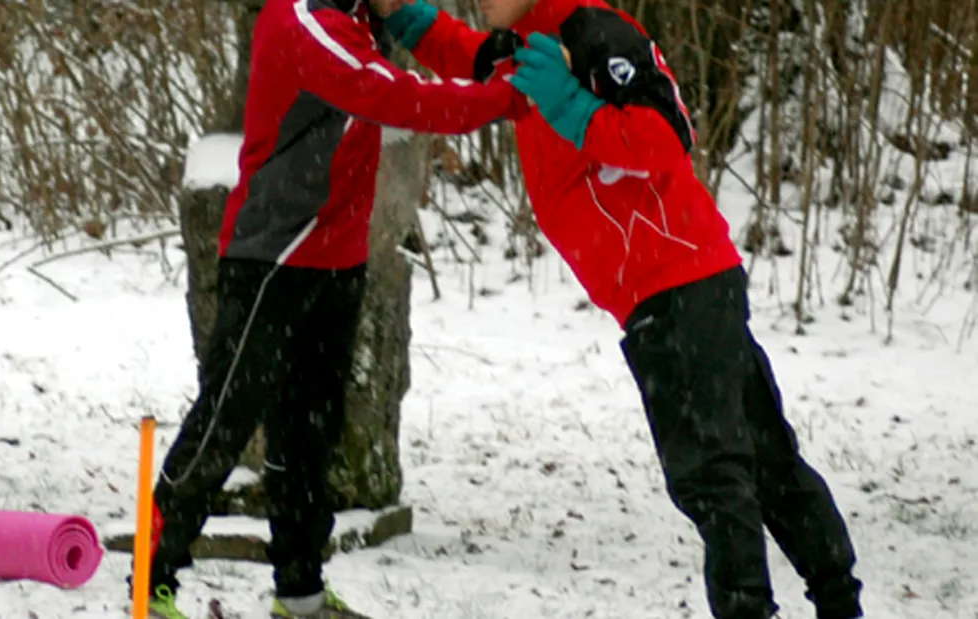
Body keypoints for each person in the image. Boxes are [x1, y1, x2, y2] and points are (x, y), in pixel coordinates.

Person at [382, 1, 865, 618]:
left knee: (712, 472)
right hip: (674, 284)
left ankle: (762, 606)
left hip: (677, 283)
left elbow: (669, 136)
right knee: (763, 458)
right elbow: (466, 55)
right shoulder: (528, 42)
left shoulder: (594, 32)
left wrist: (573, 109)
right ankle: (838, 600)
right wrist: (403, 16)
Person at [129, 0, 530, 616]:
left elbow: (425, 39)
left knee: (308, 438)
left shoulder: (362, 16)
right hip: (274, 255)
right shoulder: (303, 21)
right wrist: (501, 96)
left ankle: (301, 593)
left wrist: (489, 59)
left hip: (336, 261)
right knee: (225, 423)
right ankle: (151, 584)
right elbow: (392, 96)